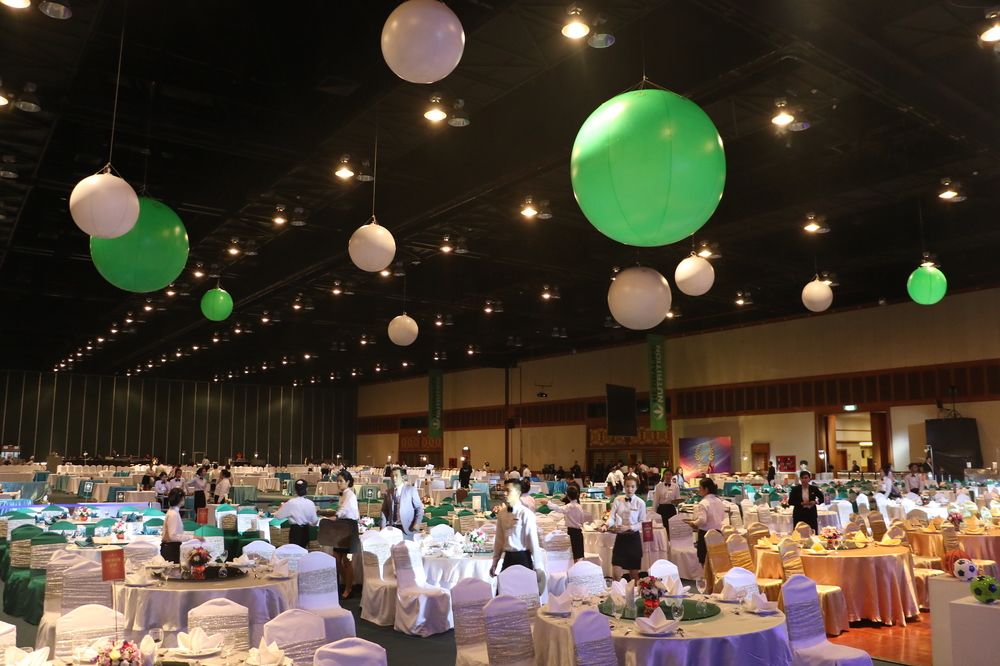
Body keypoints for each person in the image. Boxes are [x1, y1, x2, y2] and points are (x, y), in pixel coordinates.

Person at [490, 477, 543, 577]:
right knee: (503, 587)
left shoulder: (526, 514)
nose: (504, 493)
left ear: (518, 493)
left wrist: (538, 567)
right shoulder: (502, 514)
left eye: (508, 491)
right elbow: (499, 540)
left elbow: (533, 542)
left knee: (524, 587)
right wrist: (494, 563)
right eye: (504, 490)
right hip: (507, 559)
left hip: (523, 559)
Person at [606, 477, 646, 580]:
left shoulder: (640, 503)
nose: (630, 489)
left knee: (634, 575)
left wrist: (628, 527)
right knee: (616, 574)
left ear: (636, 488)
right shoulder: (617, 500)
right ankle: (618, 590)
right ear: (624, 487)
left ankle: (635, 590)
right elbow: (611, 517)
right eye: (627, 486)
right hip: (621, 539)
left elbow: (642, 523)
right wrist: (607, 525)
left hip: (633, 539)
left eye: (632, 486)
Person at [331, 470, 359, 598]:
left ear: (348, 482)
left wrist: (336, 515)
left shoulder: (350, 495)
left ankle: (348, 588)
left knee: (347, 560)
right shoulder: (342, 495)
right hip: (341, 528)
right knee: (337, 559)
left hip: (349, 528)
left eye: (341, 481)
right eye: (337, 481)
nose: (338, 483)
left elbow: (344, 509)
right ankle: (347, 582)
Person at [380, 466, 424, 539]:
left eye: (396, 476)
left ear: (403, 478)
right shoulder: (388, 492)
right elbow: (384, 511)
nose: (394, 478)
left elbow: (419, 508)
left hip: (408, 529)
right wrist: (382, 527)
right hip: (392, 529)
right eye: (392, 476)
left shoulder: (411, 490)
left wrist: (417, 523)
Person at [687, 477, 724, 565]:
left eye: (700, 488)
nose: (699, 490)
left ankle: (705, 574)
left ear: (706, 489)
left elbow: (702, 520)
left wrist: (693, 523)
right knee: (716, 560)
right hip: (718, 532)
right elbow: (722, 517)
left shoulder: (703, 503)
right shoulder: (719, 500)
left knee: (704, 560)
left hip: (705, 534)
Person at [274, 479, 319, 548]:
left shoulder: (291, 502)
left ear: (295, 490)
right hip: (306, 531)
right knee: (303, 551)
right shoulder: (310, 503)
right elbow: (314, 521)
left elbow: (278, 516)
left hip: (295, 531)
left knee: (294, 551)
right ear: (307, 489)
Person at [161, 488, 200, 563]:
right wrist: (192, 537)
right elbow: (173, 536)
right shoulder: (173, 514)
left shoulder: (173, 511)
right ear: (181, 499)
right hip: (171, 548)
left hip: (171, 547)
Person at [549, 485, 585, 561]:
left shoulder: (568, 507)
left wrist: (548, 503)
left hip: (571, 532)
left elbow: (558, 509)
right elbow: (582, 520)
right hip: (579, 532)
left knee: (572, 555)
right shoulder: (579, 507)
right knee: (578, 555)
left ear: (568, 496)